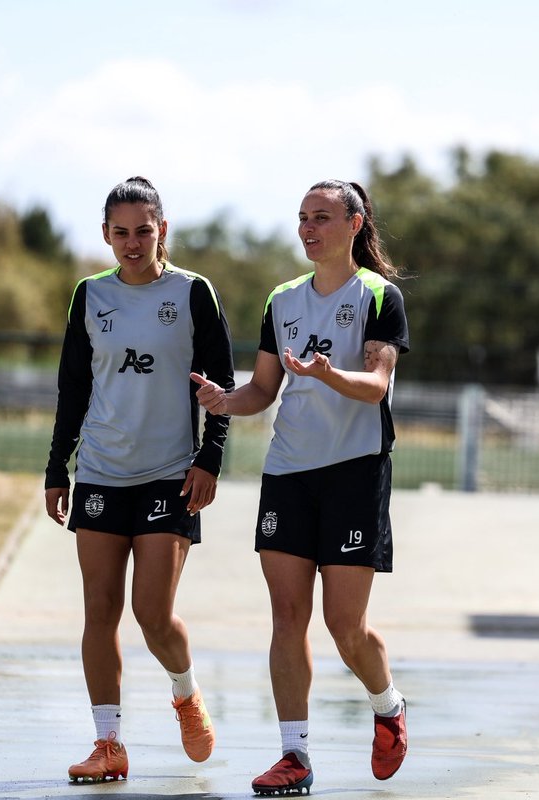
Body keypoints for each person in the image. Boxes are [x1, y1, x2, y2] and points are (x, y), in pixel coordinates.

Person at [191, 179, 410, 795]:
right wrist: (223, 401)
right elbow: (262, 390)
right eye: (302, 218)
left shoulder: (378, 296)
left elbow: (377, 386)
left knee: (346, 627)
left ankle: (388, 705)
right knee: (287, 618)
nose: (308, 229)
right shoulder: (282, 300)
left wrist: (326, 373)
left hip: (355, 471)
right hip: (288, 471)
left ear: (355, 224)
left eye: (322, 217)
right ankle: (295, 755)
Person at [44, 176, 234, 784]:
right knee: (99, 609)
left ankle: (184, 692)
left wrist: (211, 457)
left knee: (152, 614)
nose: (132, 242)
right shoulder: (89, 295)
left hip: (168, 476)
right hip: (100, 470)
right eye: (120, 232)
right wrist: (57, 467)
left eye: (143, 231)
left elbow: (222, 386)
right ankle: (108, 743)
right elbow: (73, 385)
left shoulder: (192, 292)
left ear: (163, 232)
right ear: (105, 234)